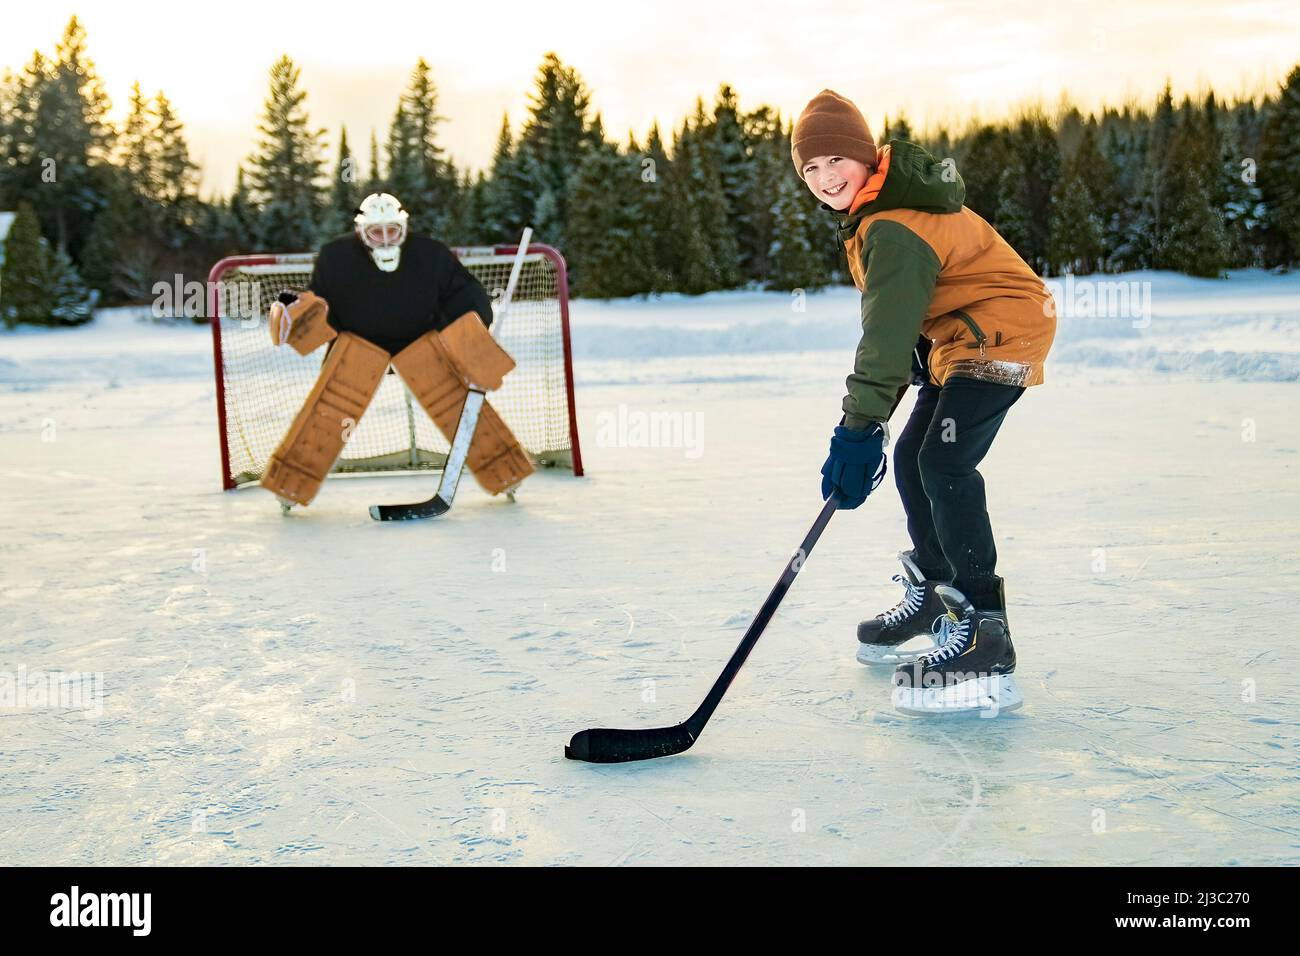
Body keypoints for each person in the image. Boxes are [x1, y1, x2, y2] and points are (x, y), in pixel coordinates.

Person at [791, 90, 1055, 716]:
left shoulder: (890, 223)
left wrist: (858, 428)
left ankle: (985, 633)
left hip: (1000, 330)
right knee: (913, 455)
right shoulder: (878, 210)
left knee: (944, 462)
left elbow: (882, 335)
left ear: (864, 157)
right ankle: (940, 592)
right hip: (958, 335)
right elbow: (909, 313)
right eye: (810, 169)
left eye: (836, 161)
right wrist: (909, 366)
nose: (826, 178)